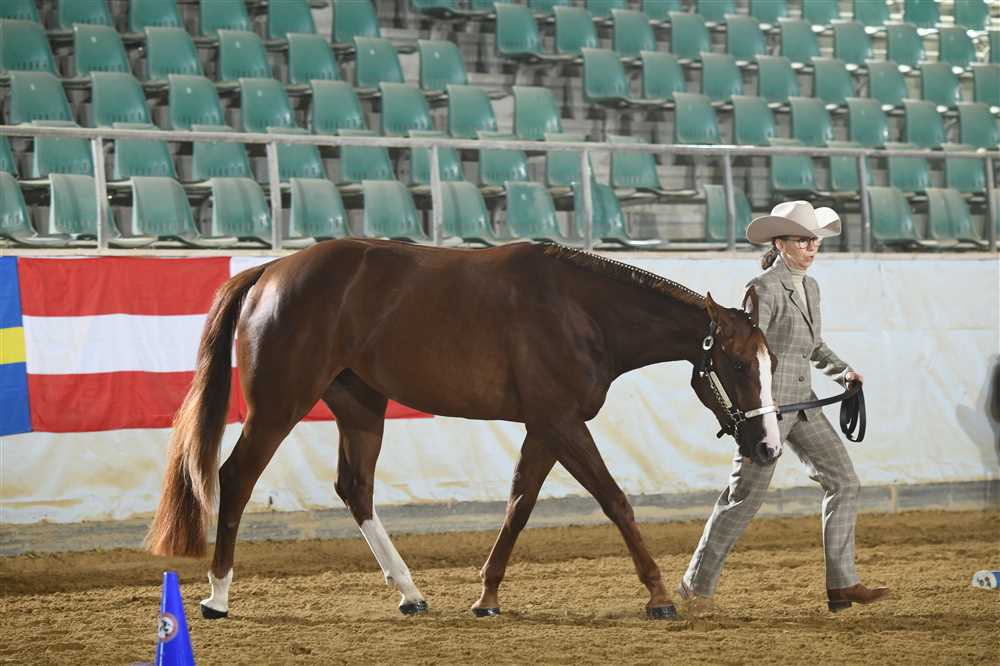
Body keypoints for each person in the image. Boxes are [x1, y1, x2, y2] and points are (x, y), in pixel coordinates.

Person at [677, 200, 890, 613]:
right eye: (802, 241)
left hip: (805, 405)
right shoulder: (763, 288)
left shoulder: (811, 287)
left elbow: (813, 346)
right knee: (744, 498)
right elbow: (749, 352)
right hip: (768, 411)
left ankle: (842, 584)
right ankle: (694, 588)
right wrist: (760, 406)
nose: (812, 248)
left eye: (815, 241)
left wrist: (843, 372)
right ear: (780, 243)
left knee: (844, 482)